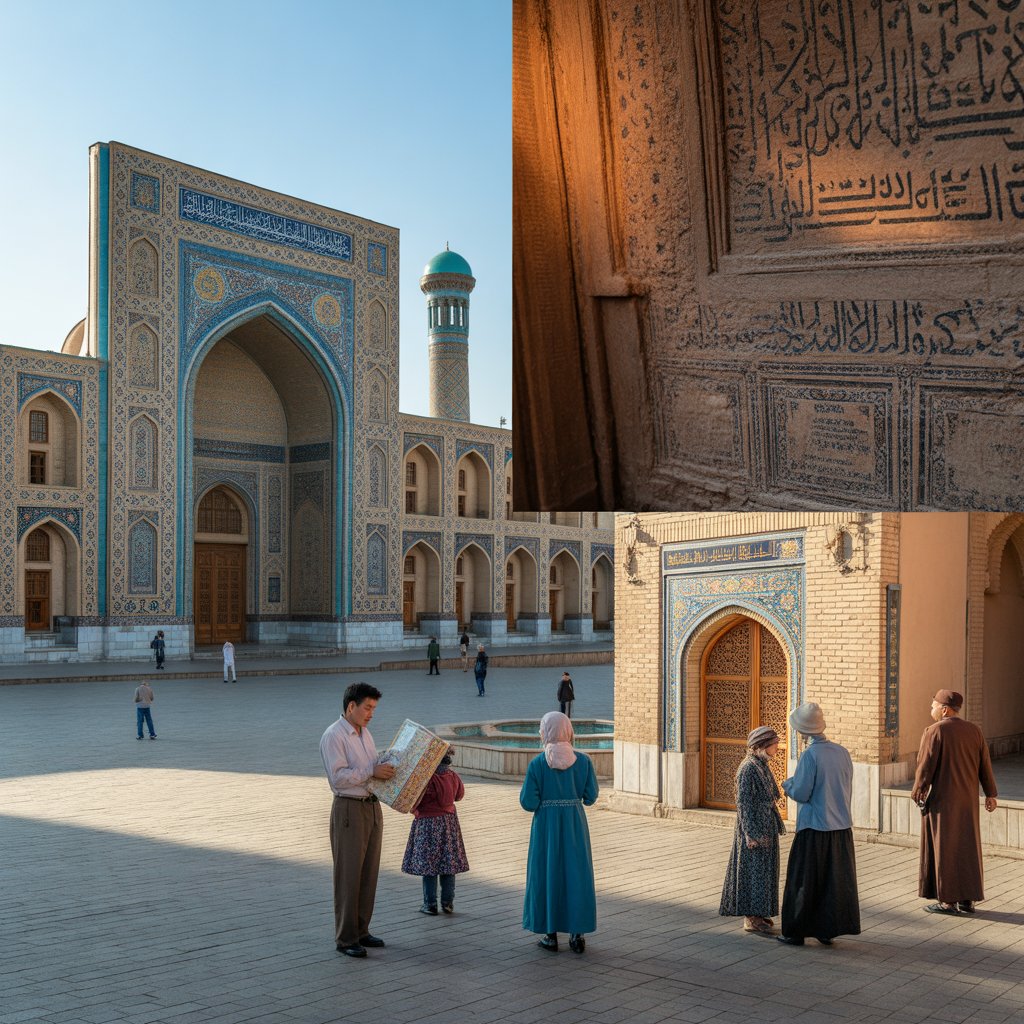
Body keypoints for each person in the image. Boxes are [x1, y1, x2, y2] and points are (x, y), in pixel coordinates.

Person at [320, 682, 396, 958]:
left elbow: (369, 767)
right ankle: (346, 937)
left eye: (374, 708)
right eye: (367, 707)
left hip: (371, 807)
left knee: (368, 873)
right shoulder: (334, 736)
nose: (371, 714)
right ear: (351, 706)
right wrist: (372, 770)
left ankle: (362, 930)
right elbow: (338, 777)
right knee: (348, 875)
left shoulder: (365, 733)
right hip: (349, 809)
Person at [777, 702, 860, 946]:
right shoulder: (841, 751)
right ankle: (827, 929)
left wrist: (787, 785)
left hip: (814, 826)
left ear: (802, 731)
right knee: (832, 882)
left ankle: (795, 931)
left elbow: (802, 792)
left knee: (804, 879)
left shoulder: (810, 755)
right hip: (841, 826)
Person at [911, 689, 998, 915]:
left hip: (944, 801)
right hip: (968, 802)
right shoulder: (974, 731)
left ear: (945, 709)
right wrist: (990, 793)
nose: (931, 709)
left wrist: (919, 790)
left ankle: (948, 902)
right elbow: (985, 765)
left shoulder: (935, 731)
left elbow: (925, 765)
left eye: (933, 706)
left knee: (945, 848)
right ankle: (967, 900)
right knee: (967, 848)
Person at [520, 711, 598, 954]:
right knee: (576, 875)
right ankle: (577, 935)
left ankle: (550, 935)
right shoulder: (583, 761)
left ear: (545, 731)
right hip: (574, 825)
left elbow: (528, 802)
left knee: (547, 874)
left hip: (546, 827)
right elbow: (591, 797)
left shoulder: (538, 764)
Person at [720, 726, 785, 936]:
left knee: (764, 871)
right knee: (753, 872)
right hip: (754, 830)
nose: (777, 747)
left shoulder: (761, 765)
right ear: (763, 745)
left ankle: (760, 912)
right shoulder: (748, 768)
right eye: (774, 743)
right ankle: (751, 918)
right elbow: (744, 805)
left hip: (765, 826)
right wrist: (750, 834)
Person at [401, 746, 469, 915]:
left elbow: (414, 801)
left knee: (429, 865)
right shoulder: (452, 776)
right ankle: (448, 903)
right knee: (448, 863)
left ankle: (430, 904)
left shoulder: (426, 779)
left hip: (427, 824)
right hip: (449, 823)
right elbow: (459, 795)